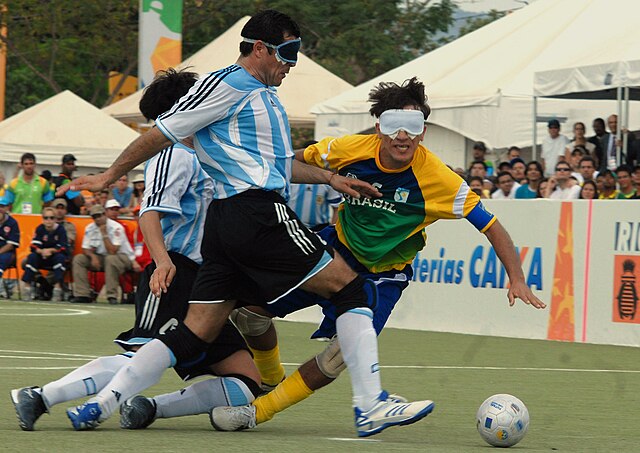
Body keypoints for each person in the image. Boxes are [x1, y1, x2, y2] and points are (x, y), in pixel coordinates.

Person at [59, 10, 432, 437]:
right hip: (256, 213)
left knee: (195, 331)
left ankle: (103, 404)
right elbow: (161, 132)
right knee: (351, 289)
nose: (292, 63)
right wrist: (109, 176)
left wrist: (331, 178)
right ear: (259, 48)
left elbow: (279, 166)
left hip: (227, 223)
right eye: (287, 52)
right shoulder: (227, 84)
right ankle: (371, 405)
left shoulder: (261, 93)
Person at [203, 77, 545, 433]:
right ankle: (270, 377)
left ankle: (257, 413)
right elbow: (288, 163)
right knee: (247, 314)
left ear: (423, 132)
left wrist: (516, 278)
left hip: (383, 275)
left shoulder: (439, 179)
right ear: (379, 127)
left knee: (339, 356)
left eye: (413, 126)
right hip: (332, 251)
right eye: (394, 124)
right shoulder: (348, 148)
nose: (403, 135)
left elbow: (491, 225)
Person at [11, 68, 263, 432]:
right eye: (201, 96)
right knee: (141, 356)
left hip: (209, 283)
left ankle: (148, 408)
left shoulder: (209, 151)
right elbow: (150, 212)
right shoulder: (171, 153)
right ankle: (40, 396)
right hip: (176, 272)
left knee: (245, 382)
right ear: (184, 106)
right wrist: (162, 262)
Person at [70, 204, 138, 304]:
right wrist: (92, 256)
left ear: (105, 214)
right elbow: (85, 247)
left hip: (123, 257)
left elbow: (113, 251)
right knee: (79, 259)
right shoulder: (90, 228)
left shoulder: (116, 227)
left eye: (99, 216)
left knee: (110, 259)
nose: (97, 219)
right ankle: (82, 294)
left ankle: (112, 295)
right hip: (101, 257)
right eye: (94, 217)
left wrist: (104, 233)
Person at [21, 207, 68, 302]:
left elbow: (63, 247)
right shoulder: (40, 228)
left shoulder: (61, 229)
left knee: (60, 258)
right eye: (46, 218)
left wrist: (51, 250)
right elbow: (33, 246)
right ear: (42, 219)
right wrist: (42, 251)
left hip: (55, 255)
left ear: (55, 219)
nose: (48, 220)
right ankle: (27, 288)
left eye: (51, 218)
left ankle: (57, 289)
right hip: (42, 255)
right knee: (32, 257)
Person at [0, 197, 20, 298]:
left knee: (2, 258)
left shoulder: (12, 223)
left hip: (7, 253)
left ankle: (1, 289)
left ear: (7, 208)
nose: (0, 209)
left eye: (2, 206)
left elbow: (11, 244)